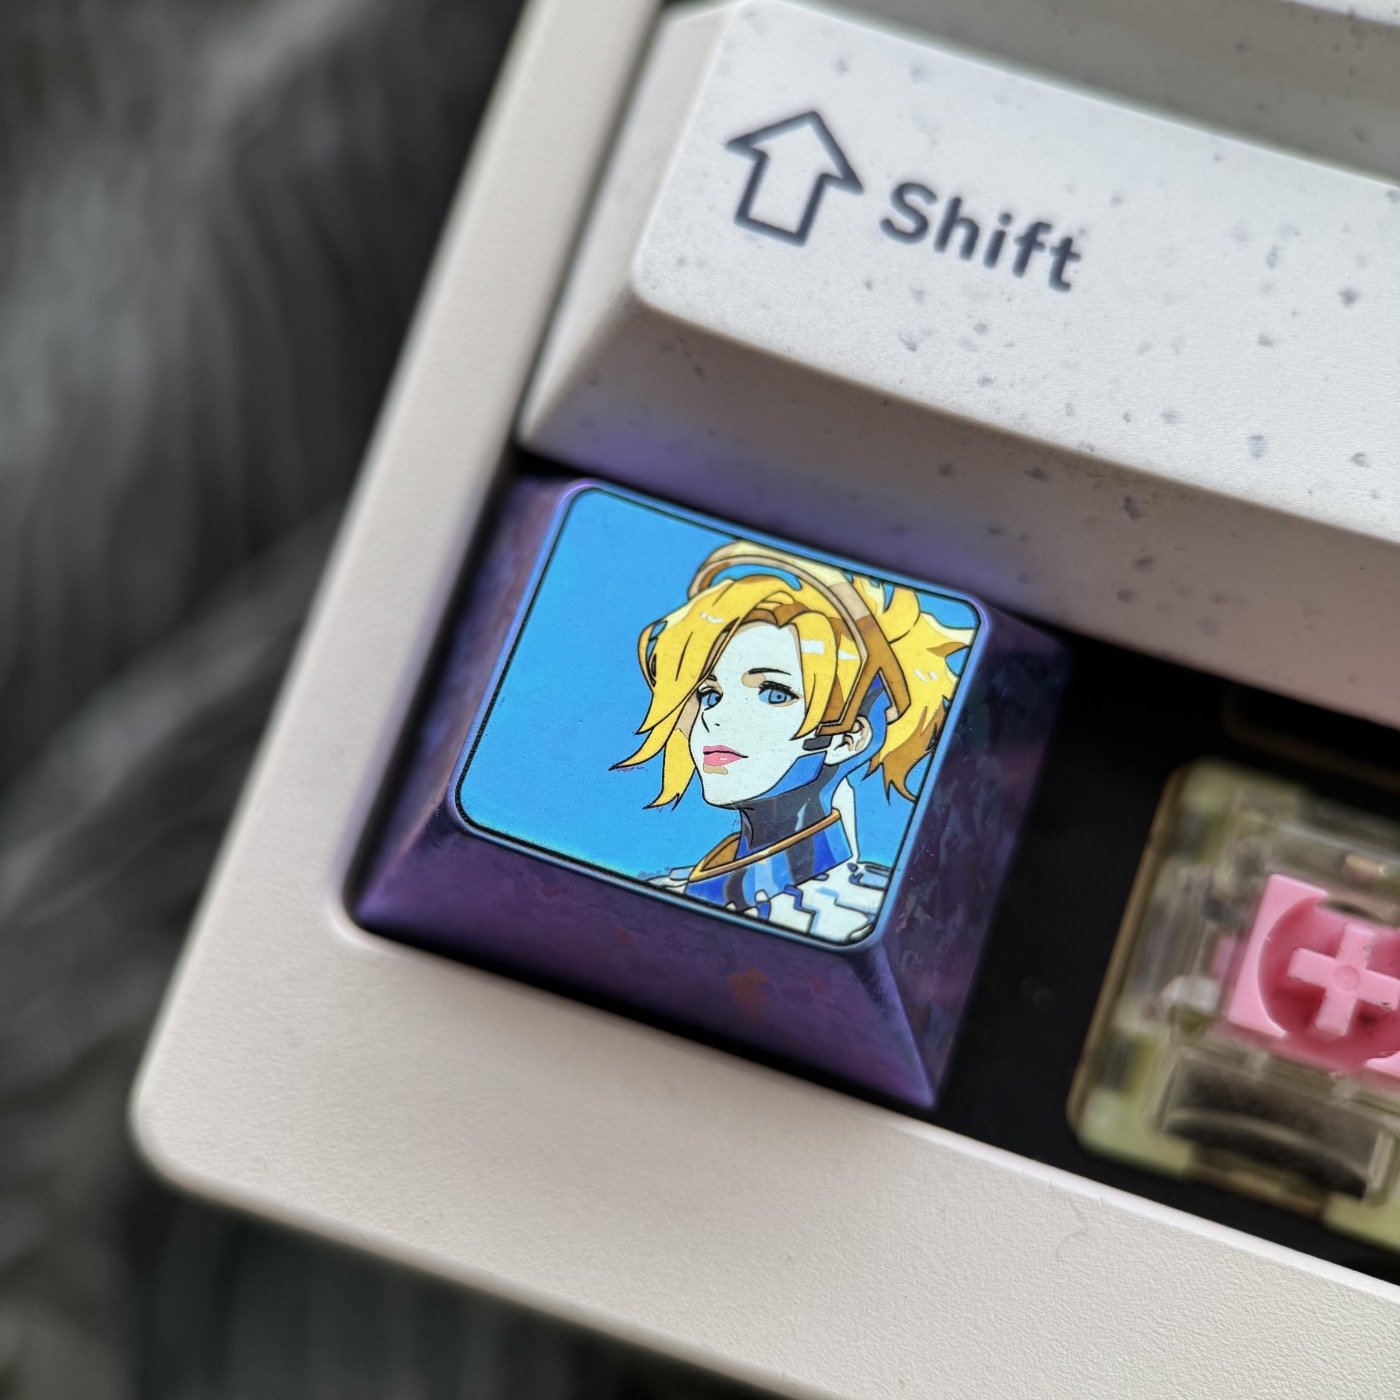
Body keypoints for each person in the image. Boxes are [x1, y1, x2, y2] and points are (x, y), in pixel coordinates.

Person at [615, 540, 972, 942]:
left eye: (774, 693)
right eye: (710, 694)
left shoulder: (862, 914)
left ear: (848, 739)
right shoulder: (661, 889)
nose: (717, 716)